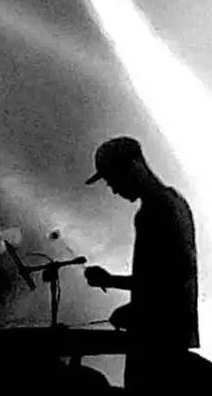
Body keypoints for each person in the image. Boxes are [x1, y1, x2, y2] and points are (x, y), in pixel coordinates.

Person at [79, 136, 199, 354]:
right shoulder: (174, 202)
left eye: (113, 179)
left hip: (157, 338)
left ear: (133, 167)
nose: (114, 189)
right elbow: (169, 278)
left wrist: (113, 284)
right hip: (173, 333)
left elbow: (163, 281)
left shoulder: (156, 211)